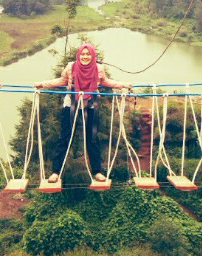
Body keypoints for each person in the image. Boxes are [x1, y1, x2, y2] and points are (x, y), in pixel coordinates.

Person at [34, 43, 131, 183]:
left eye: (88, 54)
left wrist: (122, 85)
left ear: (92, 55)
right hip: (71, 104)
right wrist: (42, 84)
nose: (85, 56)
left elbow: (105, 82)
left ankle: (97, 171)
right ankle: (55, 172)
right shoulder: (71, 67)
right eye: (82, 54)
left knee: (92, 138)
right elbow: (62, 81)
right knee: (65, 137)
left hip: (90, 104)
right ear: (78, 55)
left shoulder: (98, 68)